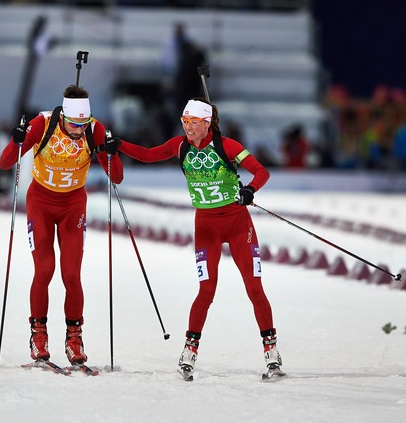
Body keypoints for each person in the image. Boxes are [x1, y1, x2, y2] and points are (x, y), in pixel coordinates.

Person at [110, 97, 282, 378]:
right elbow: (147, 154)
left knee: (254, 288)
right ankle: (189, 351)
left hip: (239, 225)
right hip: (206, 227)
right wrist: (119, 145)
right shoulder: (180, 146)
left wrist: (250, 190)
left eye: (193, 123)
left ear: (207, 123)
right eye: (184, 122)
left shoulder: (228, 146)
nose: (188, 128)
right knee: (206, 291)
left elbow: (261, 171)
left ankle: (271, 352)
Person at [0, 84, 123, 365]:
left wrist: (112, 152)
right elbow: (6, 163)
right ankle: (39, 334)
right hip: (41, 205)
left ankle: (74, 338)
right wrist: (15, 140)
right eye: (74, 124)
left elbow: (116, 178)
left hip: (72, 208)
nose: (79, 130)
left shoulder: (94, 129)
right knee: (44, 270)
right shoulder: (42, 124)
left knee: (71, 274)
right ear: (64, 115)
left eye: (83, 124)